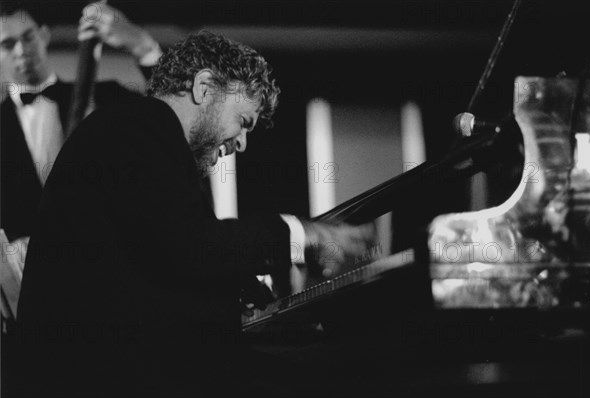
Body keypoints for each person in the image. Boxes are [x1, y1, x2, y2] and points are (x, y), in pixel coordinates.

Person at [15, 30, 373, 397]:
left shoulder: (135, 129)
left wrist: (231, 286)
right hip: (98, 377)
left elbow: (158, 254)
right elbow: (190, 245)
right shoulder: (143, 126)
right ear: (204, 87)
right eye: (244, 121)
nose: (242, 143)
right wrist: (301, 234)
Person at [0, 1, 162, 320]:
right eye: (7, 43)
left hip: (115, 287)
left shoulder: (106, 98)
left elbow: (172, 111)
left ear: (44, 35)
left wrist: (143, 46)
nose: (21, 49)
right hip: (33, 305)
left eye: (28, 36)